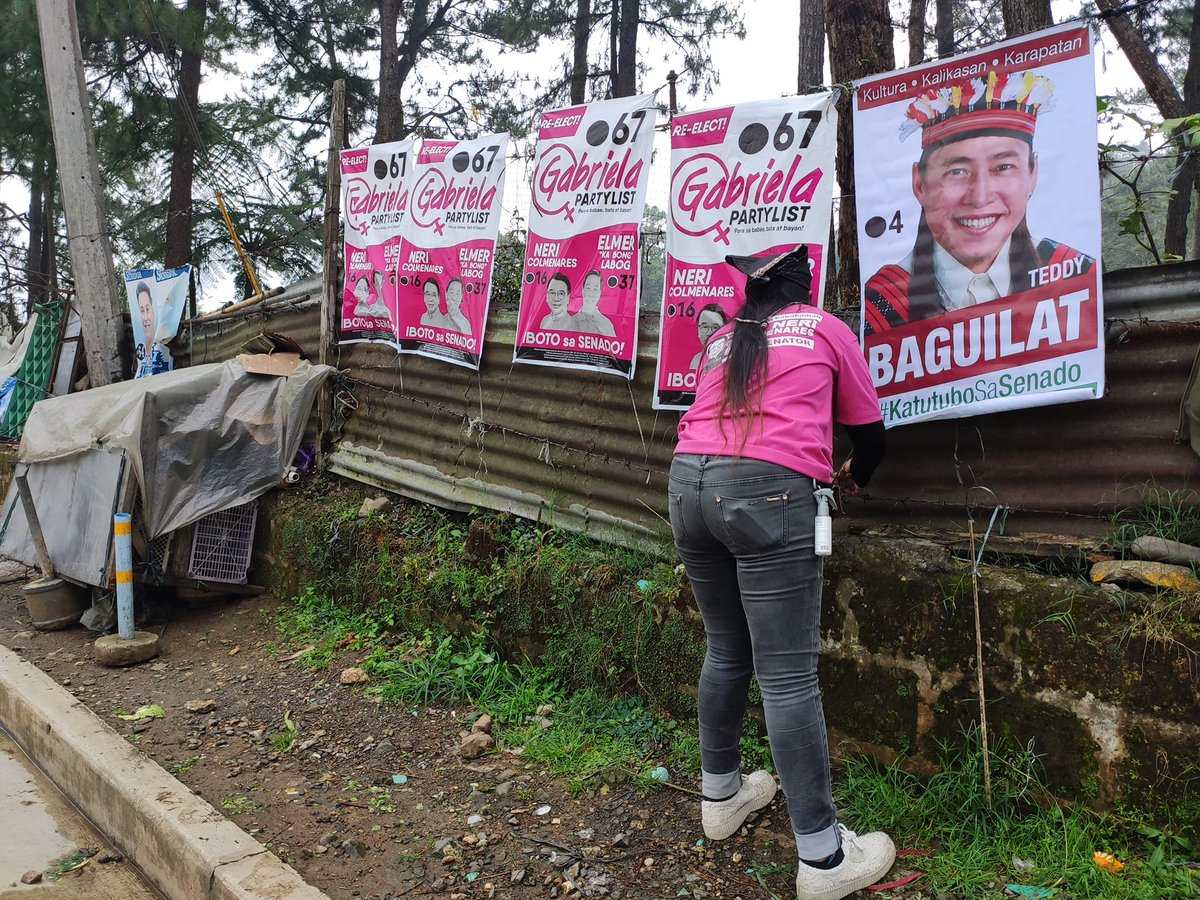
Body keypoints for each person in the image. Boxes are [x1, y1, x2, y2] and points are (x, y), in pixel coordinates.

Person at [669, 244, 895, 900]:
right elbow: (871, 434)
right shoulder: (824, 327)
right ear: (805, 286)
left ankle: (722, 799)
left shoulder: (722, 344)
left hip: (688, 488)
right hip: (767, 494)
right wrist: (857, 472)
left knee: (725, 649)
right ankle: (824, 861)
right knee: (788, 675)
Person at [864, 71, 1094, 335]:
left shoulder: (1073, 275)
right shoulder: (884, 304)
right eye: (957, 171)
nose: (980, 196)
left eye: (1004, 167)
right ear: (920, 184)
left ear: (1032, 174)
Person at [570, 270, 617, 336]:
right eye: (588, 288)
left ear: (599, 293)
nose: (591, 294)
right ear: (583, 290)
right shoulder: (570, 322)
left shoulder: (607, 325)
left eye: (595, 289)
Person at [689, 303, 727, 372]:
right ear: (698, 331)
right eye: (705, 327)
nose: (709, 333)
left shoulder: (730, 360)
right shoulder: (696, 360)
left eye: (715, 327)